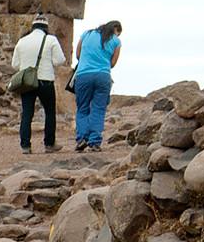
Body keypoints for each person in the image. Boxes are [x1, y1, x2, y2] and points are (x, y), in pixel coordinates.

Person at [11, 17, 66, 153]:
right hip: (45, 80)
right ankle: (49, 144)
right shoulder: (51, 39)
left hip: (27, 82)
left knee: (27, 114)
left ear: (33, 27)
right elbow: (59, 60)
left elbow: (15, 64)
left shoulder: (22, 41)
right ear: (46, 28)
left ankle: (25, 145)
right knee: (49, 112)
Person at [71, 19, 123, 152]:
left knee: (82, 108)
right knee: (98, 109)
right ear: (116, 30)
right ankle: (94, 142)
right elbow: (113, 63)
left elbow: (78, 55)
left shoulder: (86, 34)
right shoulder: (116, 41)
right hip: (103, 76)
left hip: (83, 75)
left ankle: (82, 138)